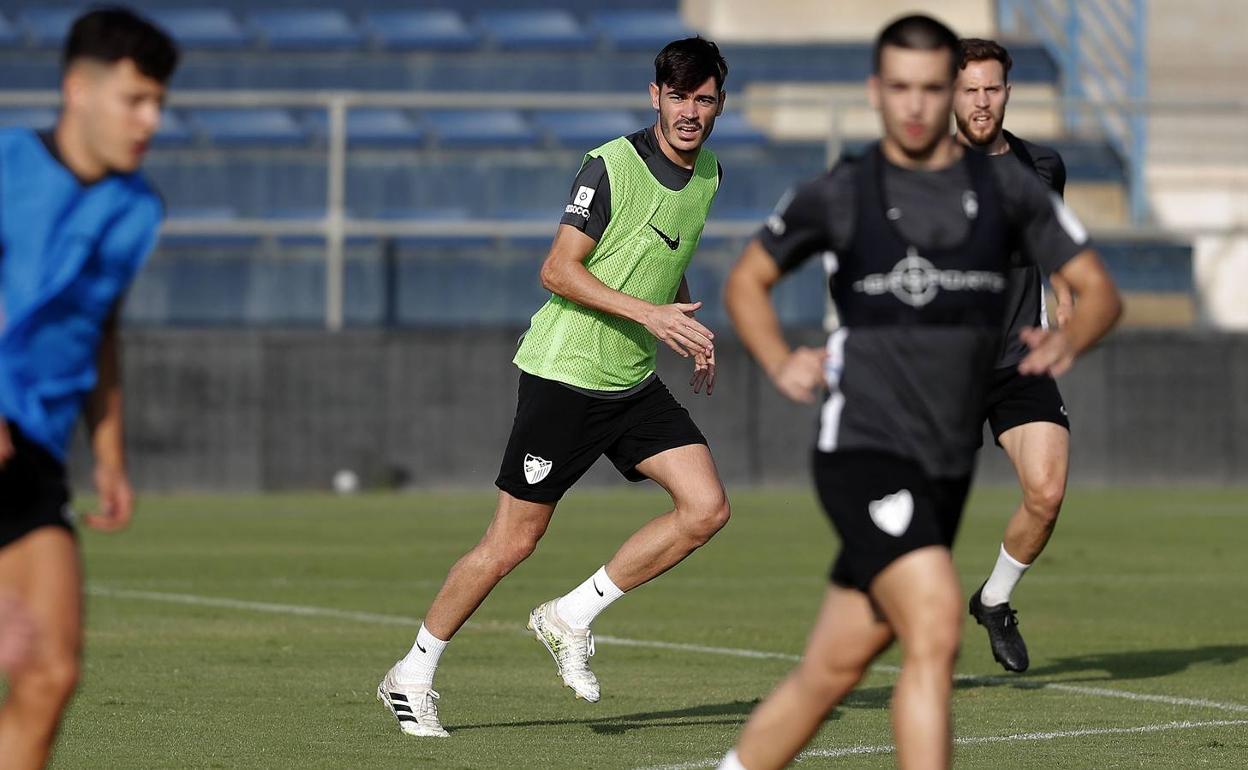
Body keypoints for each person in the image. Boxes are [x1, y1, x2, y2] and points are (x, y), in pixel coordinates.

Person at [715, 15, 1121, 769]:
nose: (916, 104)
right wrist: (778, 360)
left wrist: (1071, 331)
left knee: (833, 669)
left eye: (932, 88)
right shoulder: (843, 191)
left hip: (946, 455)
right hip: (867, 444)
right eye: (900, 86)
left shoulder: (1013, 188)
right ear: (876, 91)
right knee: (933, 625)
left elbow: (1098, 290)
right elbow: (747, 281)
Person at [377, 37, 731, 738]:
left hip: (630, 377)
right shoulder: (609, 165)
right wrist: (652, 315)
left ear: (720, 103)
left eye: (705, 98)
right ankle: (410, 674)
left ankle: (570, 615)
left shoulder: (711, 174)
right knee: (511, 543)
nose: (691, 112)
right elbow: (558, 271)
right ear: (654, 95)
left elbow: (663, 254)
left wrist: (681, 321)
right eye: (679, 96)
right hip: (566, 373)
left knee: (705, 508)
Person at [0, 8, 177, 768]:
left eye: (160, 103)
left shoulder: (137, 208)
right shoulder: (9, 171)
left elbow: (99, 328)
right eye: (135, 100)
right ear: (78, 89)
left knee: (50, 671)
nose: (152, 120)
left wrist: (109, 452)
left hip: (33, 450)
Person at [954, 37, 1075, 673]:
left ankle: (994, 599)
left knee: (1047, 492)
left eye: (991, 88)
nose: (981, 101)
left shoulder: (1043, 166)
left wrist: (1065, 291)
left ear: (1007, 91)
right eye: (969, 89)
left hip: (1017, 362)